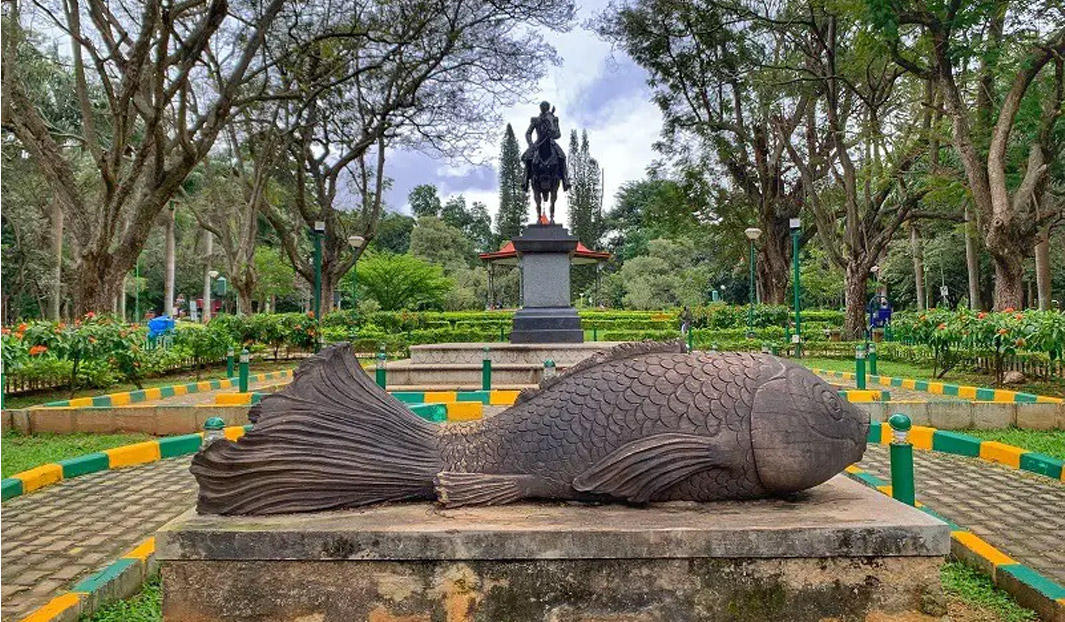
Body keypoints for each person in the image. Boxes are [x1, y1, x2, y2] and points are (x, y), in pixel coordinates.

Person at [522, 101, 571, 191]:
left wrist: (552, 134)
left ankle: (565, 180)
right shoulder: (535, 120)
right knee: (527, 157)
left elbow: (558, 134)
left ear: (548, 108)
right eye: (542, 106)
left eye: (546, 106)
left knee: (562, 156)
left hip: (551, 142)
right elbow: (528, 133)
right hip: (538, 142)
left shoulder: (553, 118)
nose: (544, 108)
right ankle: (525, 181)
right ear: (540, 108)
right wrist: (531, 144)